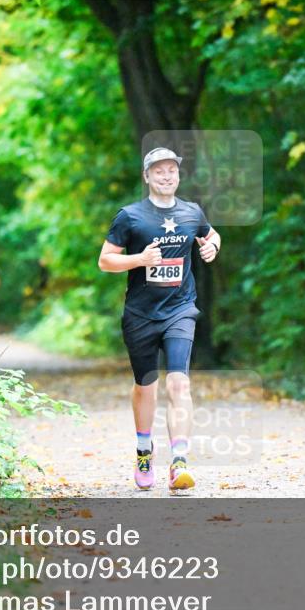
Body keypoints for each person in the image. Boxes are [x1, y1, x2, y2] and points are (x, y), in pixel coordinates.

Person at [98, 147, 222, 492]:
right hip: (140, 314)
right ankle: (143, 451)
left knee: (179, 382)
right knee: (145, 386)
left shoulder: (191, 211)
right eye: (159, 171)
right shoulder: (130, 216)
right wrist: (139, 259)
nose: (167, 176)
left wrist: (212, 247)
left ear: (178, 175)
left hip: (180, 308)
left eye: (172, 170)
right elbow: (105, 261)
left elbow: (211, 235)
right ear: (147, 176)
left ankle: (180, 460)